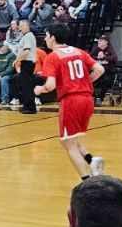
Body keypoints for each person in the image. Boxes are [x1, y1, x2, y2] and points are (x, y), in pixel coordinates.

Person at [38, 24, 103, 178]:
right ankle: (91, 160)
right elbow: (100, 69)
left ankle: (87, 181)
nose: (45, 39)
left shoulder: (52, 57)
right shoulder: (79, 52)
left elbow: (50, 85)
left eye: (46, 36)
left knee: (68, 143)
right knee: (71, 138)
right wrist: (85, 82)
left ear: (53, 37)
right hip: (87, 99)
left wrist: (39, 89)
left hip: (72, 101)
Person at [12, 17, 39, 113]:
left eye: (21, 26)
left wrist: (17, 60)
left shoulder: (28, 36)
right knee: (26, 86)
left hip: (27, 63)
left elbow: (26, 51)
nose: (20, 28)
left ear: (27, 26)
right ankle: (28, 106)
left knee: (26, 86)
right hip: (27, 63)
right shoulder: (27, 36)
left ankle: (29, 107)